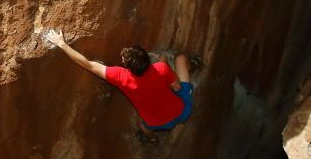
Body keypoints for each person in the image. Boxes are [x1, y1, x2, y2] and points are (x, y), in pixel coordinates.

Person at [43, 29, 197, 143]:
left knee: (143, 125)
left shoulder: (121, 77)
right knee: (181, 58)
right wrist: (163, 62)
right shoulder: (160, 69)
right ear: (147, 59)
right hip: (182, 111)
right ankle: (194, 64)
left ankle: (152, 139)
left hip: (159, 123)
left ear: (128, 67)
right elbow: (176, 87)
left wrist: (61, 44)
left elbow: (88, 65)